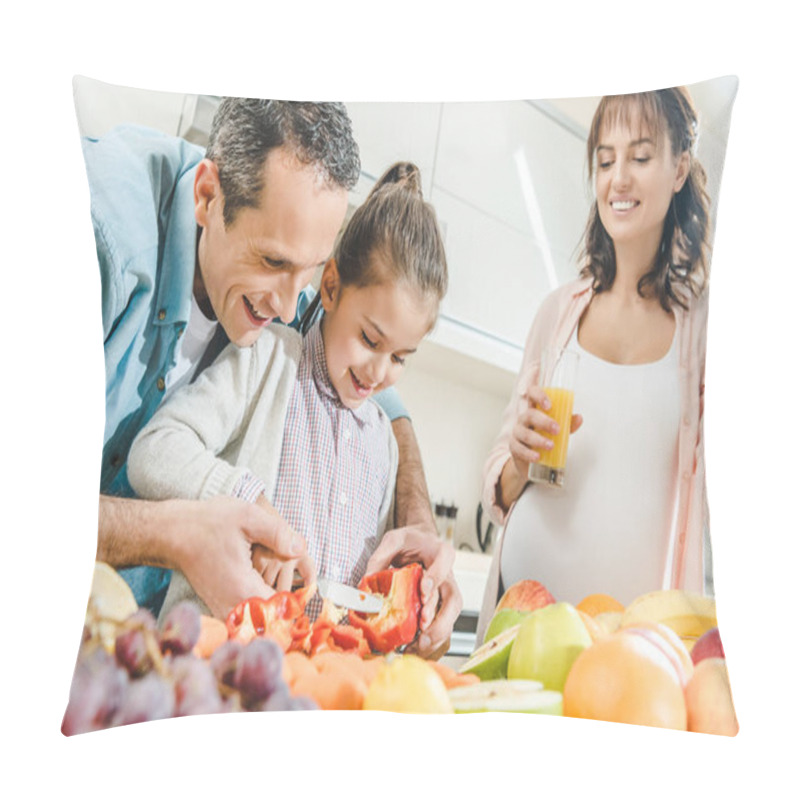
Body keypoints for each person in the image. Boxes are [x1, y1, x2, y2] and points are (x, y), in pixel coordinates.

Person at [84, 97, 461, 656]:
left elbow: (375, 389)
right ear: (208, 198)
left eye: (309, 271)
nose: (291, 308)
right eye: (275, 263)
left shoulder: (291, 297)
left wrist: (419, 541)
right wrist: (188, 528)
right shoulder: (100, 240)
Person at [477, 87, 712, 642]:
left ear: (679, 168)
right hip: (520, 625)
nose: (618, 179)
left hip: (627, 651)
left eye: (640, 156)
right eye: (605, 160)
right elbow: (501, 492)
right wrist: (515, 457)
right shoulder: (558, 313)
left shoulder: (703, 332)